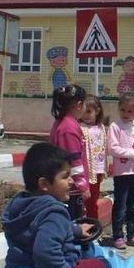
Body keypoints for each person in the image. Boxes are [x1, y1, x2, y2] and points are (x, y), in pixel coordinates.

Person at [1, 143, 92, 268]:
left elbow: (41, 227)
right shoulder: (54, 213)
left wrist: (77, 230)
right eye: (65, 176)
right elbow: (45, 252)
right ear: (44, 184)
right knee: (101, 265)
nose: (71, 181)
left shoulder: (22, 205)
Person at [108, 92, 134, 249]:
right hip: (122, 174)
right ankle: (118, 235)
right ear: (119, 109)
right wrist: (133, 153)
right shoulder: (115, 126)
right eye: (123, 110)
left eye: (130, 111)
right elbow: (113, 149)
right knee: (121, 205)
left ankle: (132, 234)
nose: (126, 114)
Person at [49, 84, 90, 220]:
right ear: (79, 105)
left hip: (66, 184)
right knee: (74, 221)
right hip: (71, 188)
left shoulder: (62, 122)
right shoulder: (69, 128)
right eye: (85, 103)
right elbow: (74, 159)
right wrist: (82, 185)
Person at [80, 96, 108, 219]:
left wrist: (104, 169)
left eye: (89, 111)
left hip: (97, 171)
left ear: (97, 111)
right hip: (85, 171)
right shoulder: (80, 127)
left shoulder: (101, 127)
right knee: (84, 200)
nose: (85, 115)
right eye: (83, 112)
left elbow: (104, 148)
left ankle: (93, 226)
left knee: (93, 200)